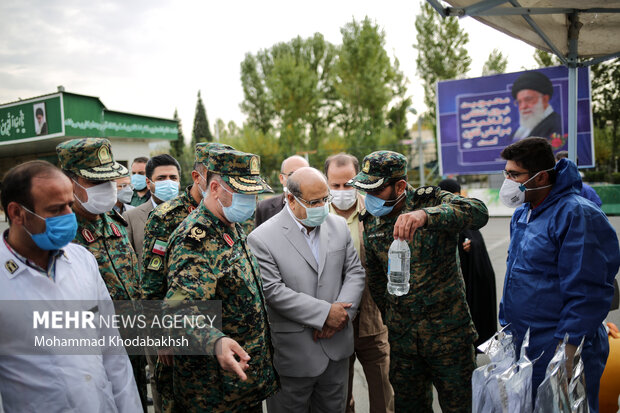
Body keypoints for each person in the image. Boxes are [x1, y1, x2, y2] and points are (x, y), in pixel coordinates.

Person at [348, 150, 489, 412]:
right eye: (365, 191)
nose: (369, 199)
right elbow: (378, 279)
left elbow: (479, 212)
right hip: (403, 342)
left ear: (400, 185)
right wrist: (393, 318)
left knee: (461, 406)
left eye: (375, 191)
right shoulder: (372, 220)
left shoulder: (432, 200)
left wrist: (425, 216)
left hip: (448, 337)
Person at [0, 160, 142, 412]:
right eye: (55, 210)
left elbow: (112, 350)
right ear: (16, 213)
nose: (69, 216)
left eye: (69, 205)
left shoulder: (82, 260)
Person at [498, 137, 620, 412]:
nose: (507, 181)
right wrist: (507, 327)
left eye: (514, 174)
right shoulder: (524, 214)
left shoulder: (577, 215)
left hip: (560, 347)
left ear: (541, 177)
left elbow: (587, 291)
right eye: (506, 173)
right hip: (527, 345)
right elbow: (516, 275)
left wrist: (569, 350)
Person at [164, 148, 278, 411]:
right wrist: (214, 341)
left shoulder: (232, 225)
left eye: (254, 192)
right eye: (244, 192)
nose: (252, 199)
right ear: (215, 187)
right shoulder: (193, 240)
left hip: (243, 383)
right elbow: (177, 309)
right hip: (215, 392)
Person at [248, 166, 365, 412]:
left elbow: (354, 272)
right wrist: (324, 315)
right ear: (290, 199)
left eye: (325, 199)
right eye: (314, 202)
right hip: (294, 355)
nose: (322, 206)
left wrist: (342, 316)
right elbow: (273, 291)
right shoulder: (262, 238)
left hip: (337, 350)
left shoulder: (338, 226)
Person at [56, 137, 147, 411]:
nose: (108, 188)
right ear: (69, 182)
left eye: (110, 180)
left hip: (133, 344)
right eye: (97, 182)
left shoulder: (115, 222)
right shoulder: (61, 234)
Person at [141, 142, 232, 413]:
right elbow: (153, 282)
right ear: (199, 177)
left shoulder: (230, 209)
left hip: (225, 326)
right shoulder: (166, 217)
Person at [325, 153, 394, 413]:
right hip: (333, 324)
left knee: (383, 393)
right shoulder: (316, 216)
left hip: (373, 321)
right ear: (327, 183)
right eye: (336, 185)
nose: (343, 191)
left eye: (349, 184)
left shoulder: (377, 212)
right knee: (340, 398)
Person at [438, 178, 497, 347]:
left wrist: (472, 246)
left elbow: (476, 240)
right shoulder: (437, 216)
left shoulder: (466, 214)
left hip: (473, 278)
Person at [123, 154, 181, 266]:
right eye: (161, 178)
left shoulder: (193, 214)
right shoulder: (131, 217)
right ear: (149, 183)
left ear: (179, 182)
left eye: (173, 178)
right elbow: (127, 263)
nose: (168, 182)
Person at [254, 155, 309, 227]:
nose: (298, 179)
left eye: (303, 174)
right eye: (291, 174)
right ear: (281, 178)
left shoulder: (318, 206)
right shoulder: (264, 208)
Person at [510, 71, 562, 141]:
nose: (523, 106)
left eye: (528, 99)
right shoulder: (519, 132)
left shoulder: (557, 125)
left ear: (544, 99)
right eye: (519, 102)